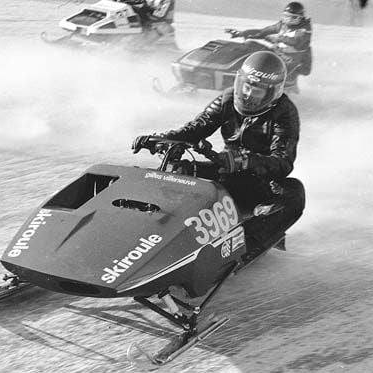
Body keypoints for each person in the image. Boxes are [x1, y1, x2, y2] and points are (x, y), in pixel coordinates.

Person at [132, 51, 305, 253]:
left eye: (256, 91)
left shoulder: (285, 112)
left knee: (294, 192)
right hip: (225, 171)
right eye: (246, 87)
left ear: (272, 93)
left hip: (258, 183)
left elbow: (282, 162)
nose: (248, 95)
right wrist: (162, 139)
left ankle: (248, 244)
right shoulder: (227, 99)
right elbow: (195, 128)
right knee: (177, 168)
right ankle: (148, 227)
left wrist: (245, 161)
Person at [227, 2, 312, 82]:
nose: (289, 20)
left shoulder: (304, 29)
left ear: (301, 18)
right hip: (276, 53)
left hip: (289, 61)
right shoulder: (282, 25)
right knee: (250, 45)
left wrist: (278, 38)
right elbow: (263, 31)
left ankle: (262, 86)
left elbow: (296, 41)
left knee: (268, 71)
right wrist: (241, 33)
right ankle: (234, 68)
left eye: (294, 17)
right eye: (287, 16)